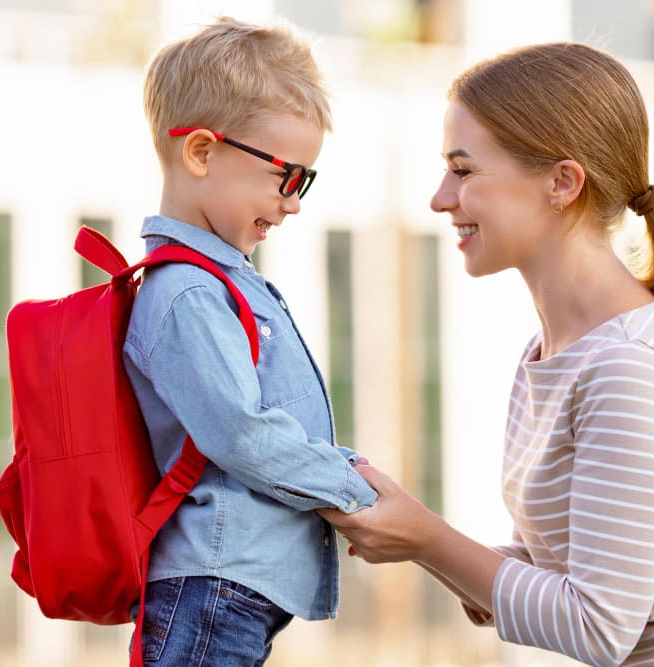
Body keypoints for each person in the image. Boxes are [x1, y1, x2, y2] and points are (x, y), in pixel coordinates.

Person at [320, 42, 654, 667]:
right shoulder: (548, 353)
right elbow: (569, 571)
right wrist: (427, 540)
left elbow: (596, 626)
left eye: (463, 171)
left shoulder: (629, 369)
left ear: (562, 182)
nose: (439, 198)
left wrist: (426, 540)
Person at [122, 17, 376, 666]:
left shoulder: (223, 282)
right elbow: (240, 432)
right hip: (212, 592)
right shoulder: (187, 293)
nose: (293, 202)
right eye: (286, 176)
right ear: (202, 152)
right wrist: (349, 485)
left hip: (228, 595)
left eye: (304, 182)